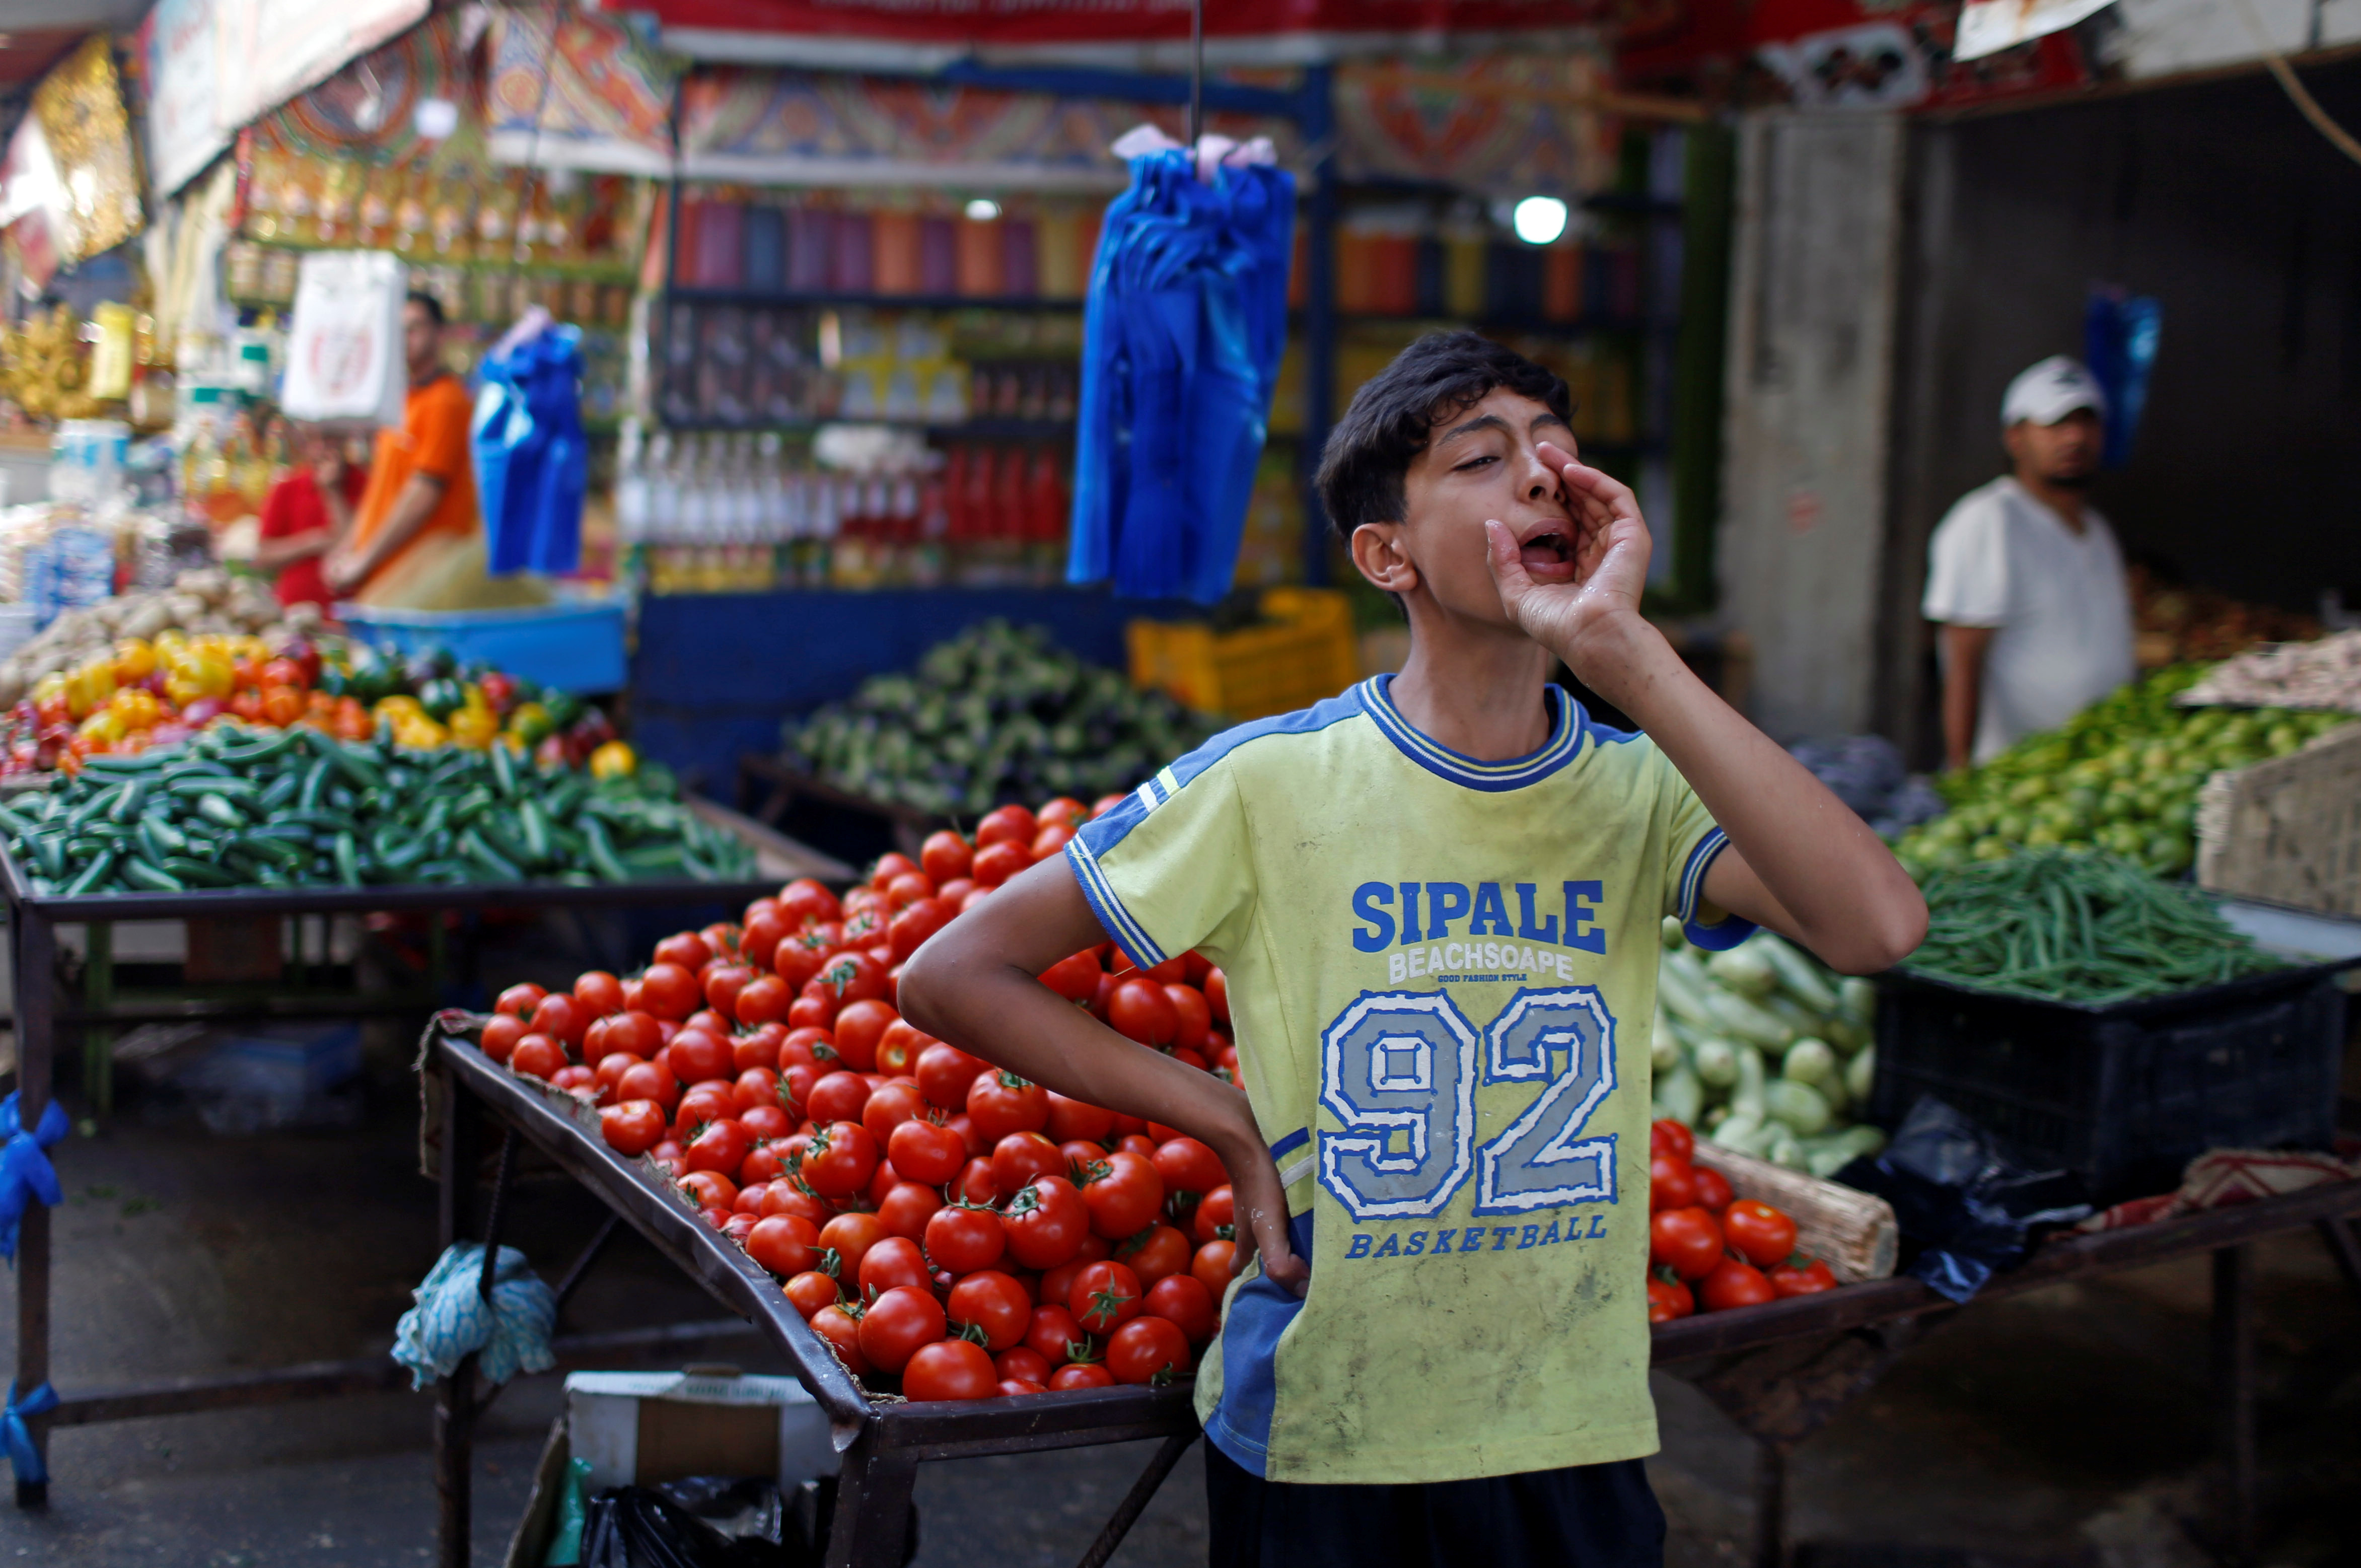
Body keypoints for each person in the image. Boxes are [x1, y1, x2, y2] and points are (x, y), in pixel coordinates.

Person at [900, 332, 1925, 1566]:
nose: (1541, 477)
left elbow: (1877, 924)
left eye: (1556, 452)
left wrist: (1628, 658)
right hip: (1327, 1434)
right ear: (1386, 555)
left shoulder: (1638, 784)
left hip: (1566, 1428)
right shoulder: (1268, 781)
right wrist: (1222, 1116)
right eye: (1480, 460)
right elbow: (949, 970)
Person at [1922, 355, 2136, 770]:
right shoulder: (1989, 521)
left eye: (2085, 422)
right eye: (2054, 424)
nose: (2074, 437)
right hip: (2019, 777)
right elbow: (1961, 660)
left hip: (2097, 768)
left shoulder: (2097, 529)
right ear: (2015, 437)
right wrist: (1961, 771)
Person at [323, 291, 481, 606]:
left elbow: (422, 495)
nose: (405, 339)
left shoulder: (447, 402)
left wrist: (363, 560)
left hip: (423, 588)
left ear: (440, 334)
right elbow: (381, 493)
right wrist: (347, 550)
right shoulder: (402, 402)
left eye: (415, 328)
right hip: (388, 586)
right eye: (398, 331)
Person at [252, 421, 363, 609]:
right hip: (294, 610)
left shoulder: (365, 483)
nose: (322, 448)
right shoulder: (287, 487)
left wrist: (332, 491)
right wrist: (311, 543)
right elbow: (263, 555)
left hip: (348, 609)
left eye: (329, 439)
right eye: (314, 439)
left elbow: (352, 545)